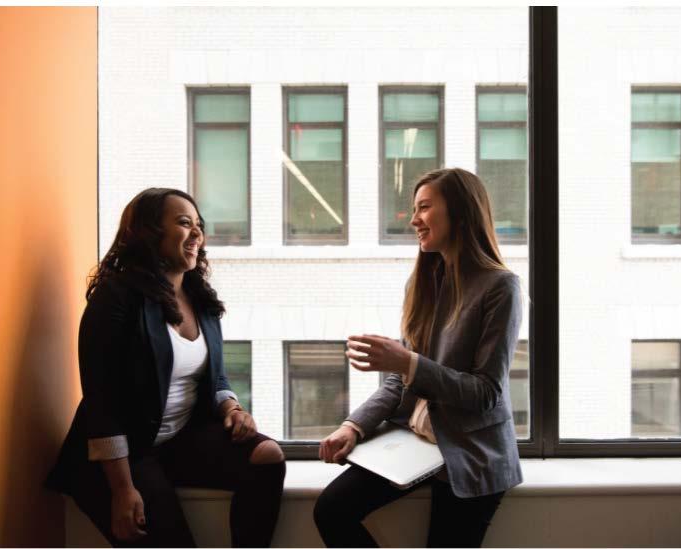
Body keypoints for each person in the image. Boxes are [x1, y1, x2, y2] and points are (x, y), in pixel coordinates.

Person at [47, 188, 285, 548]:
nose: (197, 235)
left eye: (199, 226)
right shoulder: (116, 297)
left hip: (175, 441)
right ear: (148, 232)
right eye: (184, 223)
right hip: (123, 455)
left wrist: (231, 407)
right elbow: (102, 402)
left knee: (267, 456)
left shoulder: (199, 298)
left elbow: (214, 375)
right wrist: (123, 490)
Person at [313, 168, 523, 548]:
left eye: (424, 208)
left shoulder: (500, 287)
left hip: (472, 451)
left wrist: (407, 363)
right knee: (330, 509)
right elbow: (400, 380)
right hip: (417, 441)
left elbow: (485, 393)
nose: (413, 220)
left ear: (460, 212)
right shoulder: (423, 282)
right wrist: (353, 426)